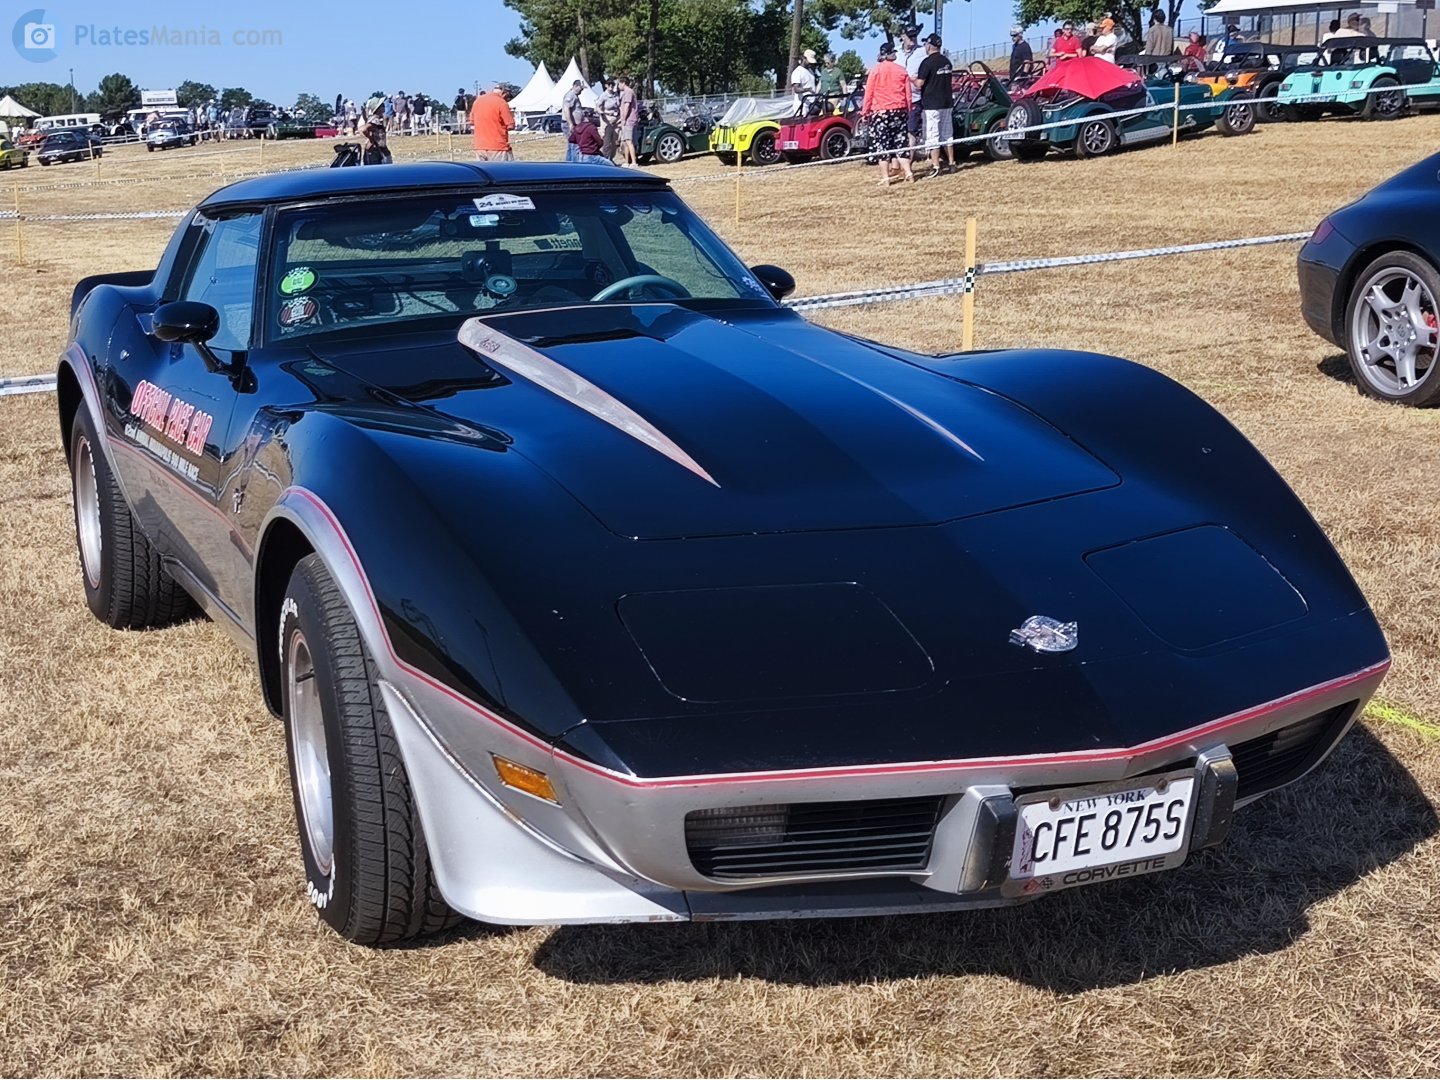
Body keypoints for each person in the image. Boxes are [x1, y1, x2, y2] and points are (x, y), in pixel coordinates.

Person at [859, 41, 915, 187]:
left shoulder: (875, 71)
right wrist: (908, 109)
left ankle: (886, 178)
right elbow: (908, 93)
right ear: (890, 54)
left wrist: (865, 112)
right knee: (901, 142)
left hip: (880, 112)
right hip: (899, 110)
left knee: (882, 145)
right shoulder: (902, 70)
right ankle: (908, 172)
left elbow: (869, 93)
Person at [915, 33, 955, 177]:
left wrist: (911, 79)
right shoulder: (947, 62)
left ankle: (936, 165)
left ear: (930, 45)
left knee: (933, 135)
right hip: (947, 102)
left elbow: (919, 83)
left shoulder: (927, 63)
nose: (925, 46)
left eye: (926, 44)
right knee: (947, 135)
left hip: (932, 104)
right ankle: (951, 163)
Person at [899, 24, 926, 154]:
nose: (913, 39)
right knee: (898, 132)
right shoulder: (895, 54)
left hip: (915, 99)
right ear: (902, 36)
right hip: (897, 100)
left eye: (915, 36)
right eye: (910, 36)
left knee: (911, 131)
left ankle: (908, 163)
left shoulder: (923, 52)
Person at [471, 83, 516, 161]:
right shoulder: (501, 103)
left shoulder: (477, 101)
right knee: (502, 172)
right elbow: (510, 125)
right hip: (498, 147)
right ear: (503, 93)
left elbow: (472, 121)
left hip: (479, 147)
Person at [617, 75, 639, 166]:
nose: (618, 86)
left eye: (618, 84)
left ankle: (634, 162)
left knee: (629, 141)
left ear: (623, 83)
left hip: (629, 121)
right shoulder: (626, 92)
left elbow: (627, 106)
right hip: (627, 120)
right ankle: (627, 162)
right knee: (625, 141)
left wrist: (624, 119)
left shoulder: (628, 92)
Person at [560, 79, 584, 161]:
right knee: (574, 145)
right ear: (576, 86)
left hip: (574, 124)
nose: (582, 90)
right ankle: (574, 164)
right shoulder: (571, 95)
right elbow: (566, 109)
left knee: (571, 146)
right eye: (581, 88)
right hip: (570, 124)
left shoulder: (575, 96)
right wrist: (570, 123)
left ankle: (569, 162)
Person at [599, 78, 620, 160]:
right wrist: (603, 113)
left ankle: (611, 159)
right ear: (606, 85)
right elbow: (598, 107)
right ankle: (605, 160)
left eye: (612, 84)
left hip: (616, 121)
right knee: (607, 143)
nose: (611, 86)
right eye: (609, 84)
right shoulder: (603, 96)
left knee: (615, 142)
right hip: (607, 122)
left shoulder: (616, 95)